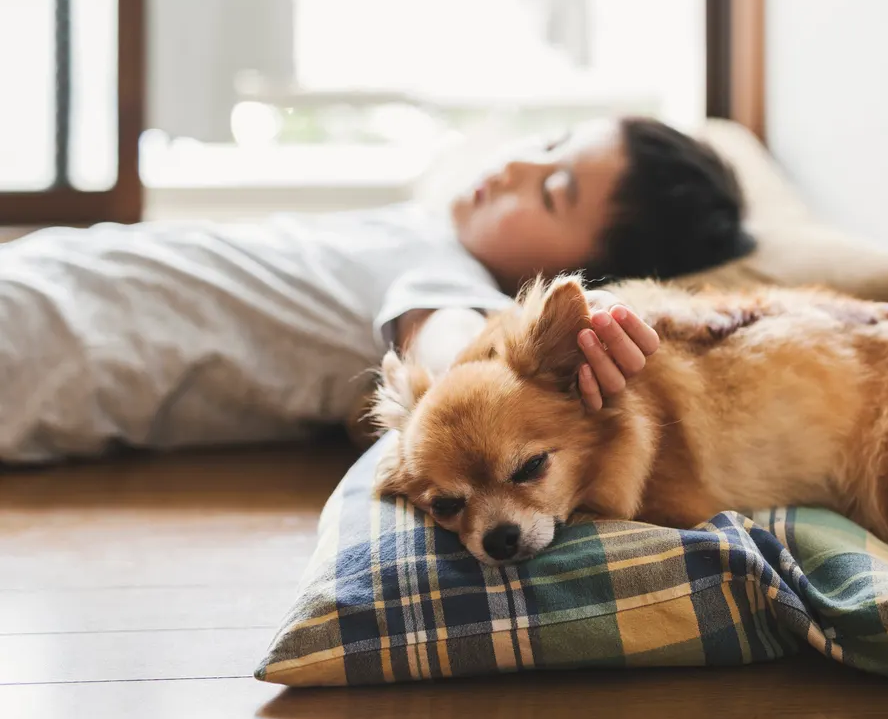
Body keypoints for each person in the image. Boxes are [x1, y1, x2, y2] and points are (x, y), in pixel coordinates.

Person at [0, 116, 752, 464]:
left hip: (45, 337)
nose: (519, 167)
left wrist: (548, 350)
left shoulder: (449, 282)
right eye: (549, 143)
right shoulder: (429, 226)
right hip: (50, 277)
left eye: (554, 192)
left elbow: (462, 357)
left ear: (575, 276)